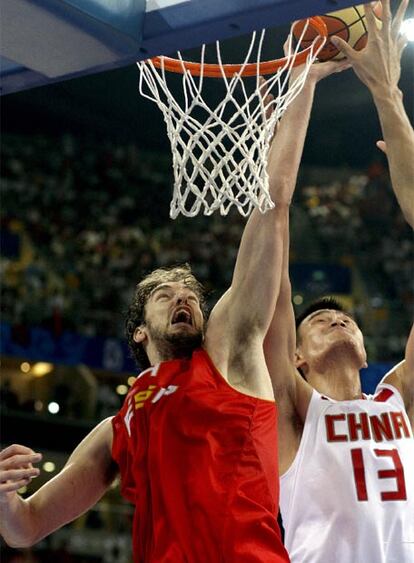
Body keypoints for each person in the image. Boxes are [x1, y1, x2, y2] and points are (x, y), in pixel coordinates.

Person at [0, 53, 347, 561]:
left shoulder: (228, 350)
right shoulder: (120, 426)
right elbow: (26, 528)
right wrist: (4, 500)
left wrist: (304, 86)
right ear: (139, 331)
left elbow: (272, 203)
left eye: (191, 293)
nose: (184, 296)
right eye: (165, 294)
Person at [264, 1, 414, 561]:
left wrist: (388, 97)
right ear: (296, 358)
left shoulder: (400, 399)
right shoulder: (295, 410)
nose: (335, 314)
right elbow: (274, 226)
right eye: (317, 321)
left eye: (340, 314)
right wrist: (299, 88)